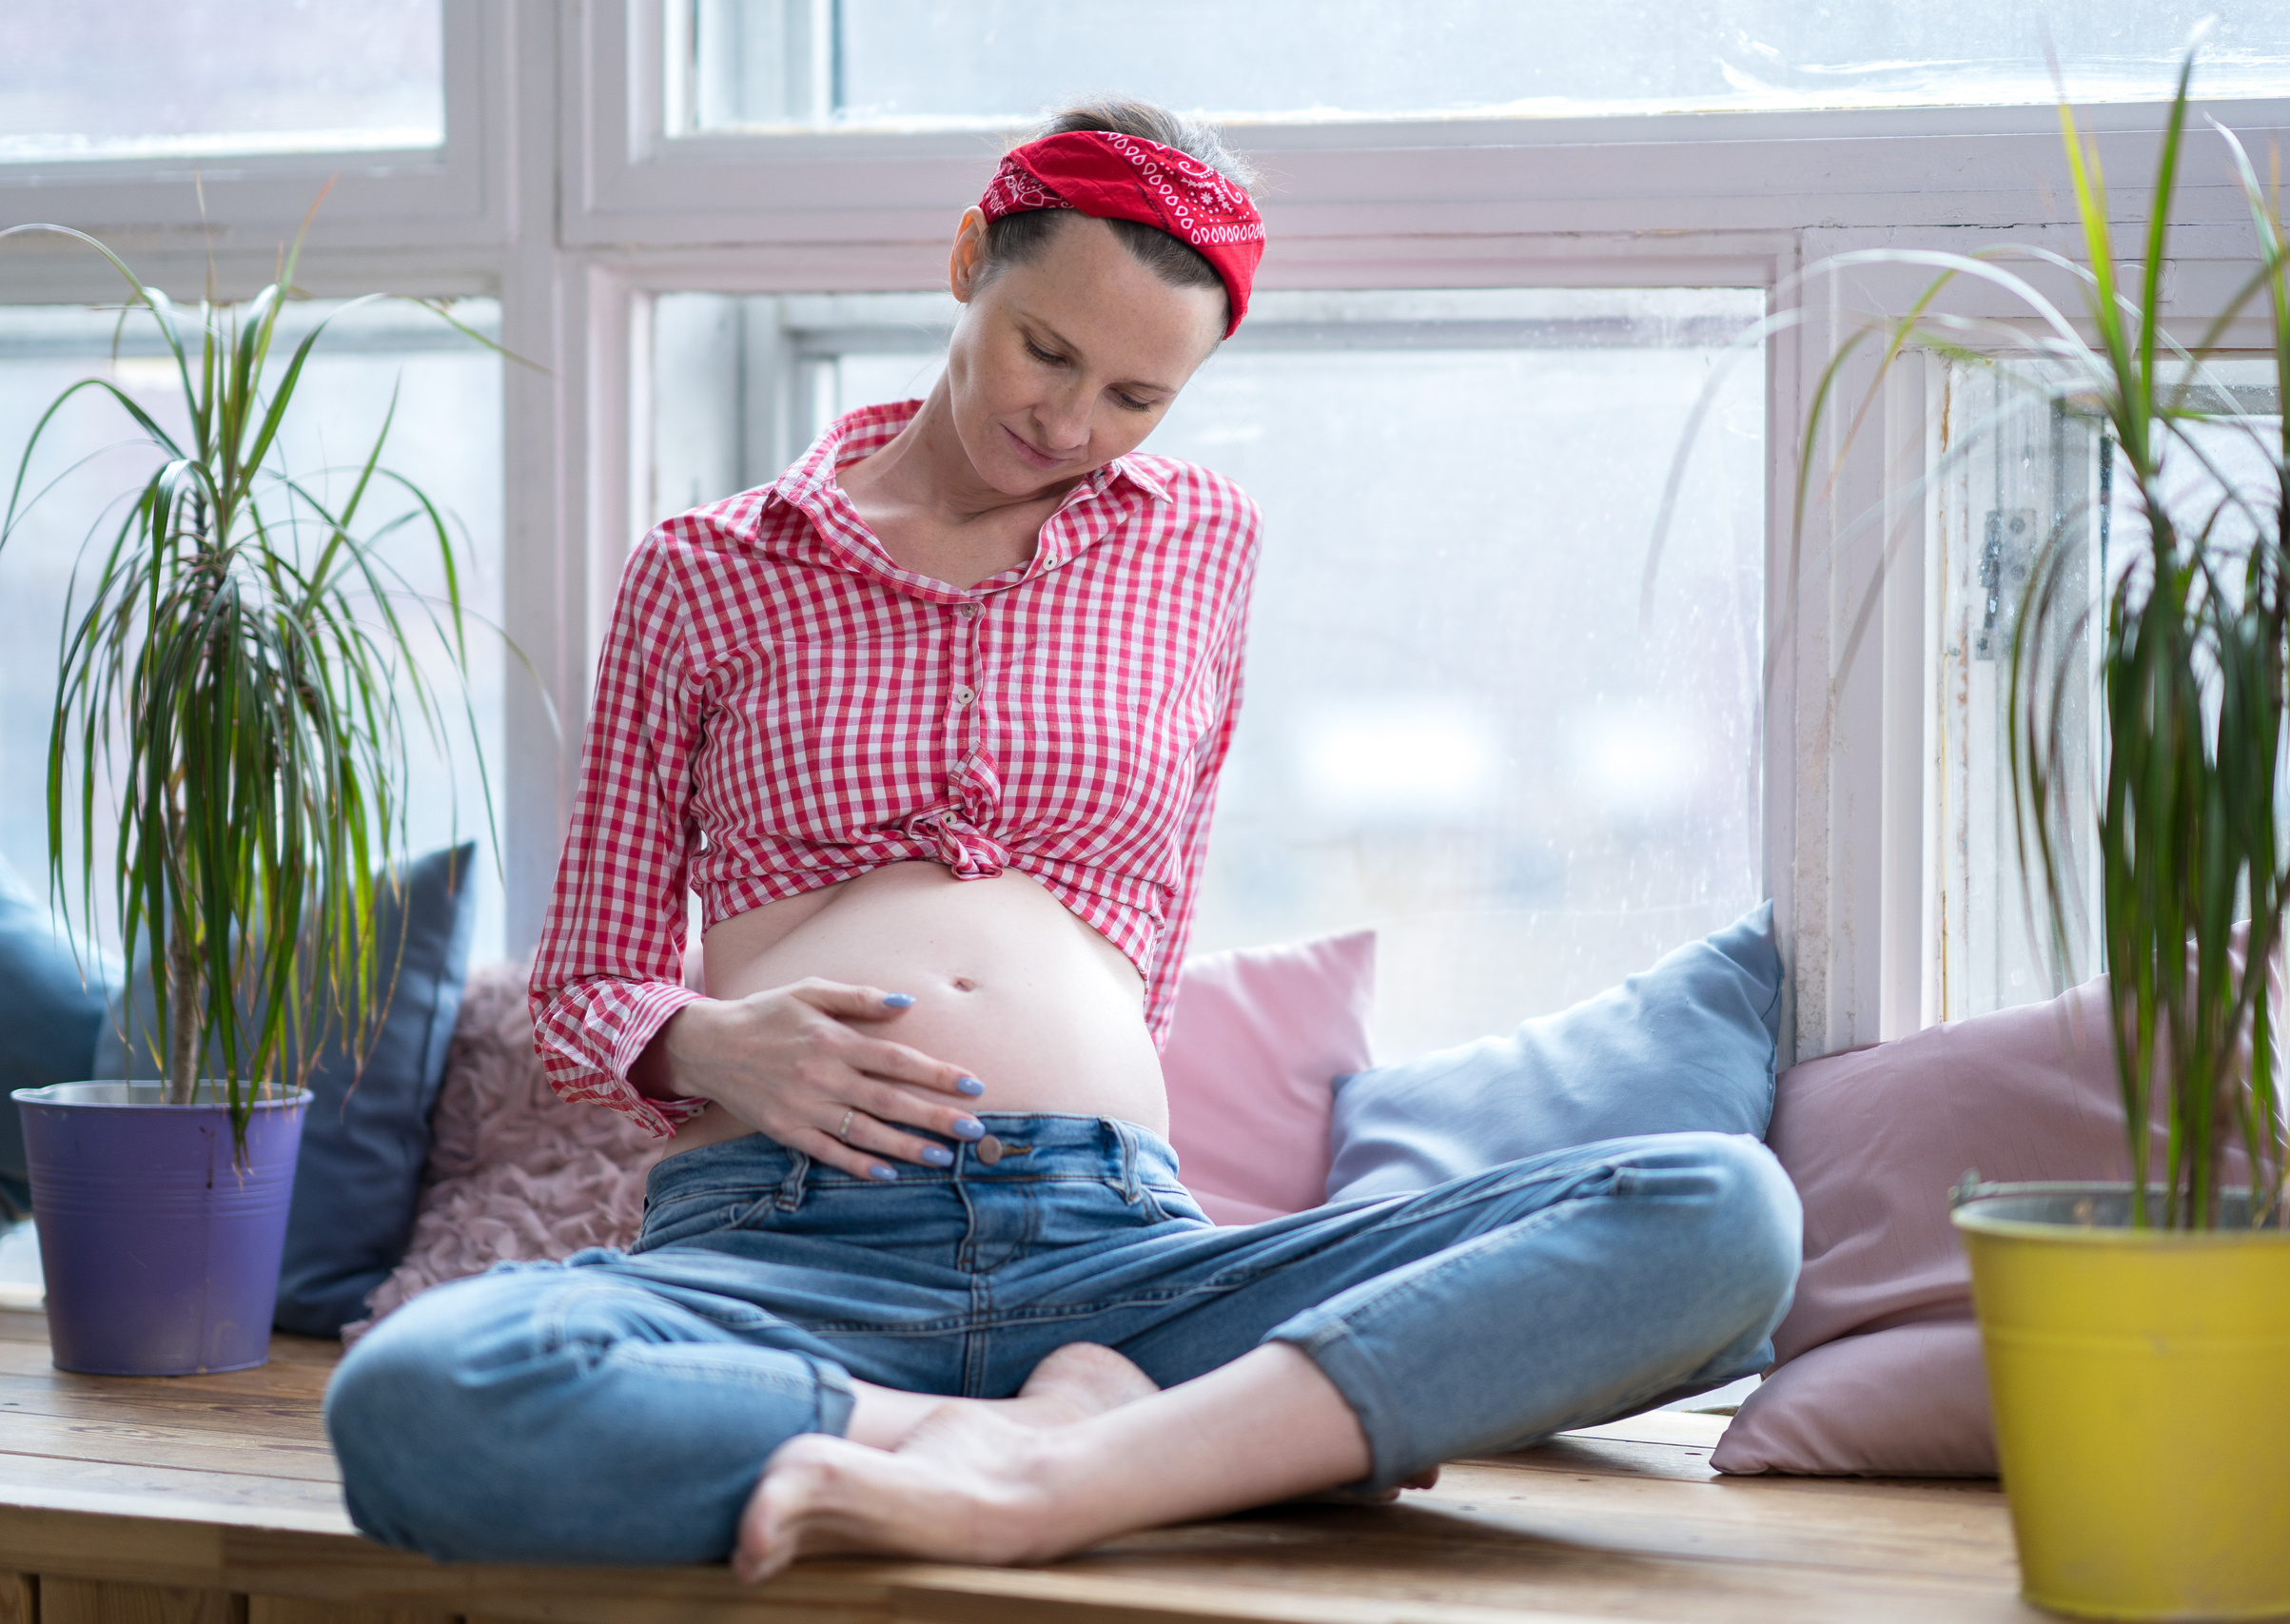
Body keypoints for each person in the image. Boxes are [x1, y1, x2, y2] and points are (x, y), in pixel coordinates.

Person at [324, 98, 1801, 1582]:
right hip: (780, 1249)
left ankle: (1060, 1481)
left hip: (1125, 1259)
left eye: (1137, 396)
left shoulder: (1200, 545)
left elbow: (1150, 931)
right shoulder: (708, 572)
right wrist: (713, 1048)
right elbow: (589, 987)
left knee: (1722, 1216)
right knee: (419, 1394)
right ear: (972, 258)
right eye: (1046, 350)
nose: (1072, 424)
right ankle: (1014, 1443)